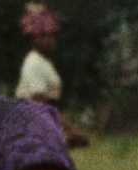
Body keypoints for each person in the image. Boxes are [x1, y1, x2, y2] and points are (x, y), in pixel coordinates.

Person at [15, 3, 89, 148]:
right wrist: (70, 129)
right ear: (33, 39)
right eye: (44, 36)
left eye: (52, 36)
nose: (49, 41)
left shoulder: (44, 63)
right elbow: (41, 104)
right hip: (31, 127)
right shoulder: (33, 63)